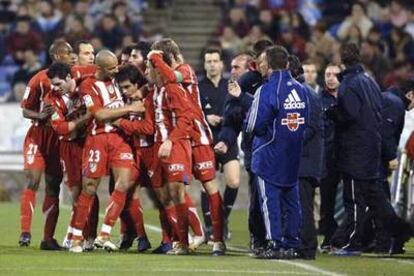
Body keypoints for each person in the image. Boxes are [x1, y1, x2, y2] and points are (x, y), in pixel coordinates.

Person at [329, 43, 411, 256]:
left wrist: (332, 114)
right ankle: (400, 230)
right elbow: (377, 114)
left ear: (342, 62)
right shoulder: (370, 81)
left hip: (355, 150)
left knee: (356, 199)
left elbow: (350, 114)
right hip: (371, 148)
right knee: (376, 199)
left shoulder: (349, 84)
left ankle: (353, 242)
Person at [150, 38, 226, 255]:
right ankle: (183, 241)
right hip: (181, 138)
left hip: (197, 135)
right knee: (177, 191)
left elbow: (173, 76)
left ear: (169, 58)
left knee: (209, 186)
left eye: (159, 62)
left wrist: (155, 57)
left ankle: (218, 239)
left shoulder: (185, 70)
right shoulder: (165, 86)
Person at [69, 50, 144, 253]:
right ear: (100, 68)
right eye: (111, 68)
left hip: (120, 139)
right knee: (90, 187)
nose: (116, 70)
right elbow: (100, 114)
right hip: (98, 139)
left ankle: (104, 235)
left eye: (116, 66)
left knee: (124, 183)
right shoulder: (88, 86)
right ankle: (76, 237)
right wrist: (130, 109)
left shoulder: (118, 79)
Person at [246, 45, 309, 259]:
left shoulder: (267, 89)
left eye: (262, 61)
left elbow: (254, 124)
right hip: (292, 154)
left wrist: (264, 135)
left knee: (269, 201)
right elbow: (305, 122)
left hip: (269, 154)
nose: (260, 65)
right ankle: (292, 243)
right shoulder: (301, 89)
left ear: (270, 64)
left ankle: (275, 243)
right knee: (292, 202)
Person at [215, 39, 273, 253]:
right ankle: (258, 238)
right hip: (255, 147)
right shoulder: (247, 81)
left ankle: (283, 238)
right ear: (256, 61)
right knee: (259, 193)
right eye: (264, 58)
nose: (266, 63)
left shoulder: (283, 81)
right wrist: (225, 140)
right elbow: (232, 118)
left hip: (282, 148)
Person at [18, 40, 73, 250]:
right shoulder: (39, 79)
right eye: (69, 53)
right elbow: (25, 110)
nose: (72, 55)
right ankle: (25, 232)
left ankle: (47, 239)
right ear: (58, 55)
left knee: (53, 186)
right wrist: (41, 115)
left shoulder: (73, 78)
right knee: (33, 180)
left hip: (59, 139)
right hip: (38, 136)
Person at [199, 48, 240, 239]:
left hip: (228, 139)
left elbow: (239, 110)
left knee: (233, 181)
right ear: (205, 64)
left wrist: (227, 118)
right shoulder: (198, 86)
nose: (212, 64)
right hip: (206, 141)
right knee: (206, 185)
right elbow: (192, 113)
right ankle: (210, 226)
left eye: (215, 61)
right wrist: (207, 118)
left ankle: (222, 220)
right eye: (209, 61)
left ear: (222, 64)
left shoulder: (231, 86)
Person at [289, 55, 324, 260]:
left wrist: (288, 141)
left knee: (304, 204)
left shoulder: (304, 94)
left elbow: (309, 128)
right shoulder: (305, 92)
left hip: (305, 160)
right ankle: (302, 245)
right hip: (305, 160)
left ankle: (307, 247)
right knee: (302, 204)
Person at [319, 63, 342, 252]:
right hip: (327, 157)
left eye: (335, 74)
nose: (331, 78)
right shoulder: (319, 100)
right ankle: (328, 238)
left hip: (347, 155)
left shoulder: (348, 99)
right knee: (327, 200)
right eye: (328, 74)